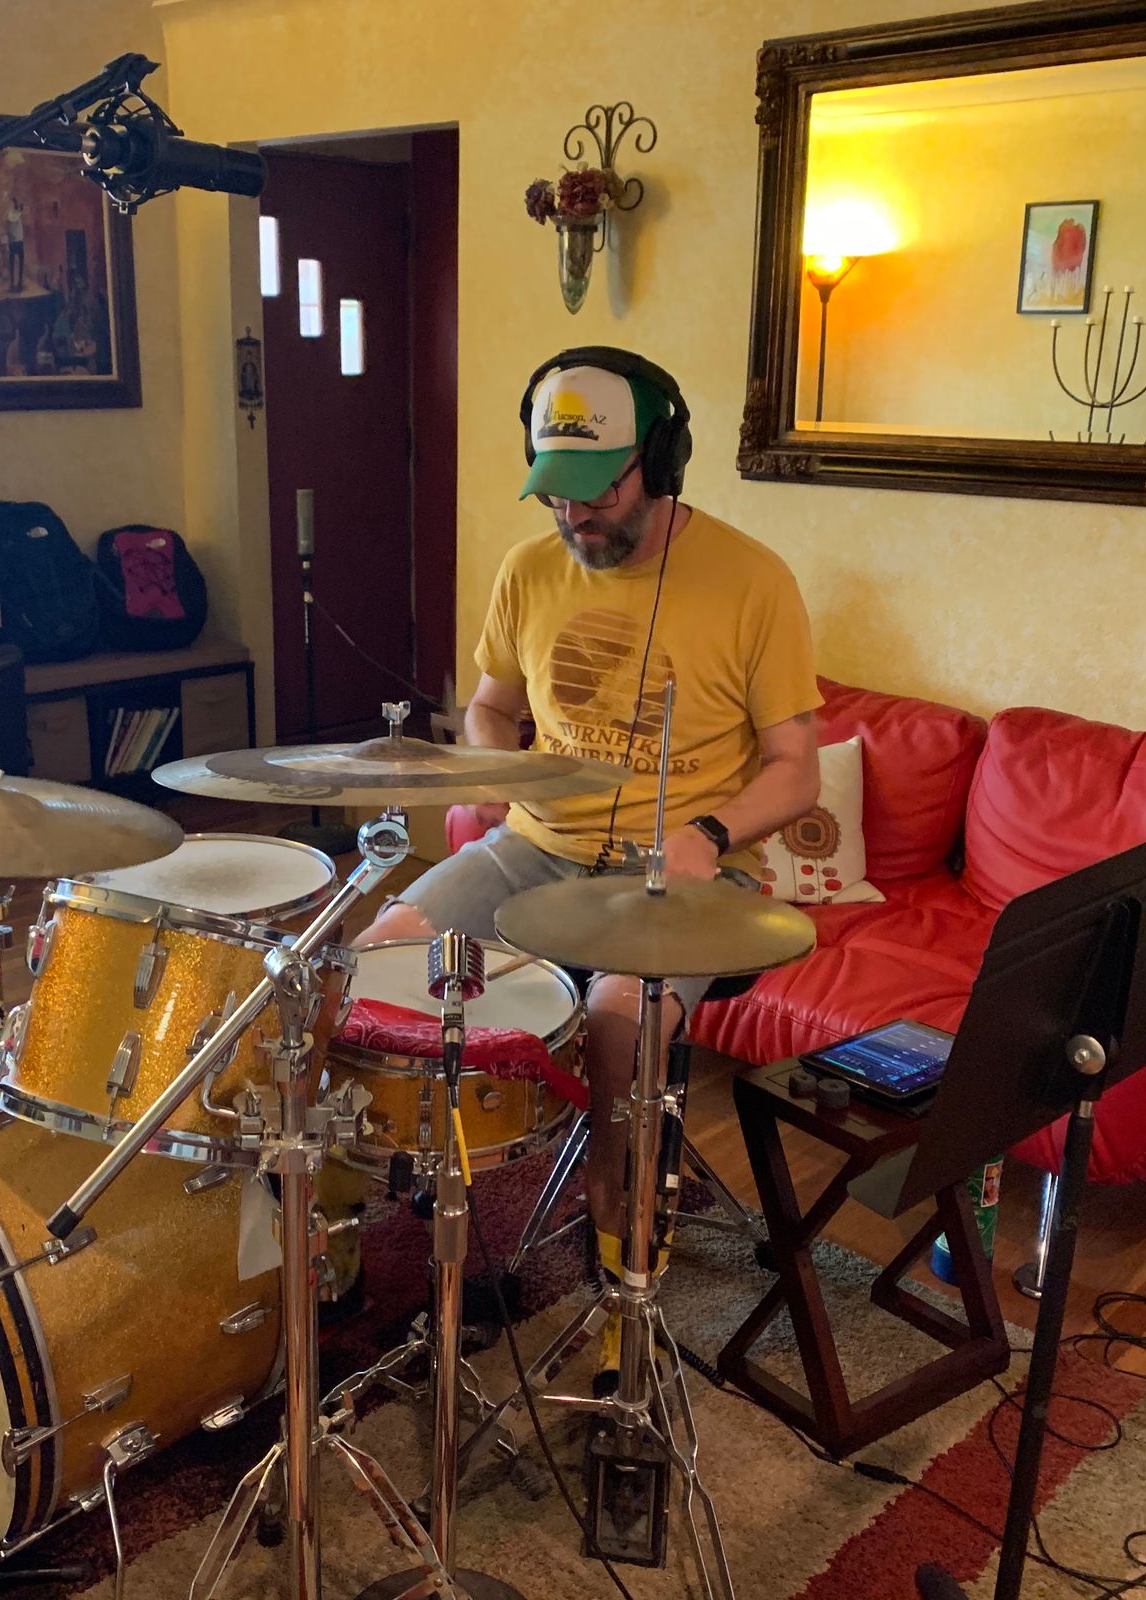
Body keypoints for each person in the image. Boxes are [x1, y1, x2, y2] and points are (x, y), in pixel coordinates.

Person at [356, 346, 823, 1390]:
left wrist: (710, 830)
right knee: (376, 955)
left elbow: (797, 771)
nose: (575, 517)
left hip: (684, 874)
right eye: (555, 493)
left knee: (620, 1015)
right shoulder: (528, 569)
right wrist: (495, 768)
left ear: (661, 460)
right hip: (535, 848)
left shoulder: (754, 581)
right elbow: (490, 703)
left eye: (598, 492)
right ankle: (371, 1223)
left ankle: (623, 1262)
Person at [6, 197, 26, 292]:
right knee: (13, 263)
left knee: (18, 262)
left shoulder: (15, 214)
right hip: (14, 241)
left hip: (18, 240)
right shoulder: (12, 214)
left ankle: (18, 282)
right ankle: (13, 283)